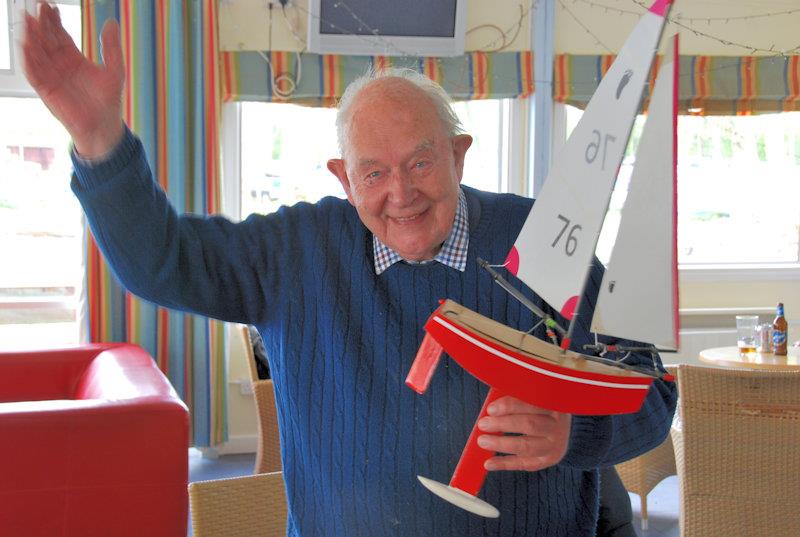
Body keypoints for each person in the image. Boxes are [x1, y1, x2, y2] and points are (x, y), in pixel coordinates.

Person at [22, 4, 676, 536]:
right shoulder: (295, 252)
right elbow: (161, 262)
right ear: (343, 177)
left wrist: (574, 430)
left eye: (421, 162)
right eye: (373, 171)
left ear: (459, 154)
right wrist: (99, 137)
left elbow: (650, 388)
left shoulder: (541, 242)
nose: (401, 192)